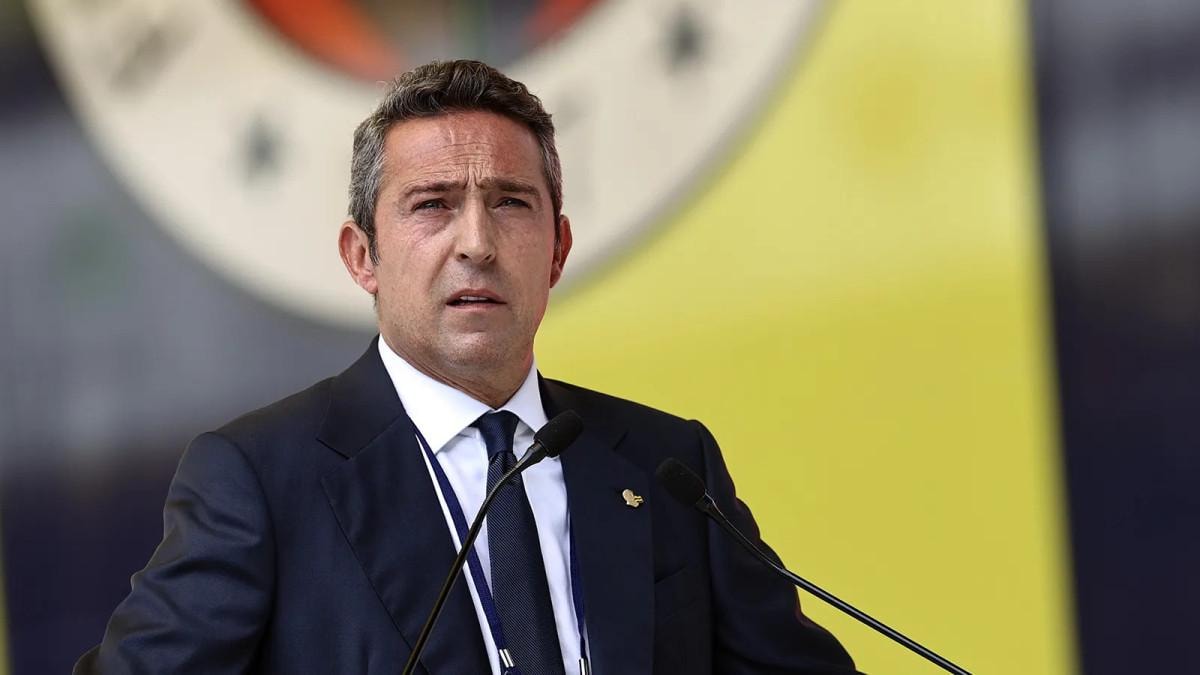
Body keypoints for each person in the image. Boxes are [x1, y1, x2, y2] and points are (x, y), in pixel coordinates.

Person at [76, 59, 858, 674]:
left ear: (557, 250)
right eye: (433, 204)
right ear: (362, 255)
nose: (477, 243)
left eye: (511, 202)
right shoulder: (261, 481)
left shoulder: (667, 467)